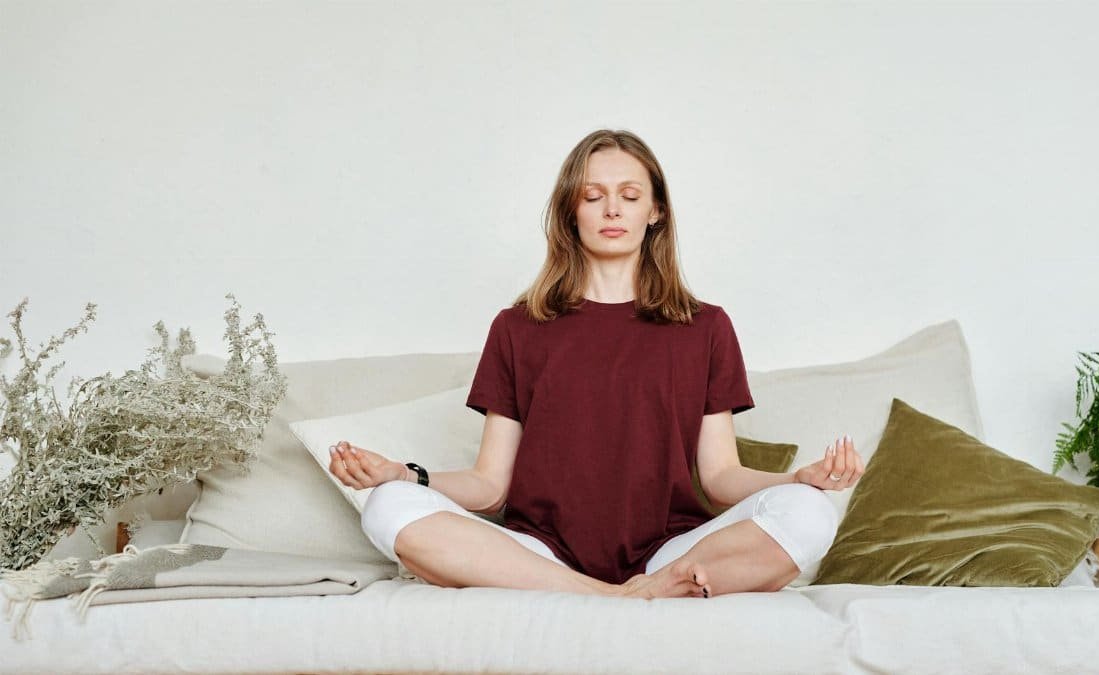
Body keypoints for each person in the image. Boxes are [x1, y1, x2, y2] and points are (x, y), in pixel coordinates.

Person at [328, 129, 864, 600]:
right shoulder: (517, 327)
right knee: (388, 506)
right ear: (571, 211)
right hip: (541, 554)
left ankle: (639, 586)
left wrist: (800, 479)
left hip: (668, 551)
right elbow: (490, 486)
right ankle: (613, 596)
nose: (612, 210)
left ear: (654, 213)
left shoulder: (705, 327)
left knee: (809, 512)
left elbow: (721, 478)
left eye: (630, 196)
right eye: (593, 196)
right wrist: (404, 474)